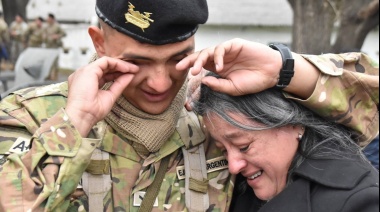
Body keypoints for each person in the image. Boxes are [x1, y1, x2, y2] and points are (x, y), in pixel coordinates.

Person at [0, 0, 378, 211]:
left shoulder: (216, 114)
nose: (162, 83)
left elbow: (368, 112)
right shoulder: (27, 118)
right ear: (99, 43)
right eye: (139, 62)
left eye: (178, 58)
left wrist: (284, 67)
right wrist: (74, 123)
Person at [194, 72, 379, 212]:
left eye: (244, 146)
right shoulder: (235, 195)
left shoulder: (357, 201)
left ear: (294, 123)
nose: (233, 166)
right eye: (224, 150)